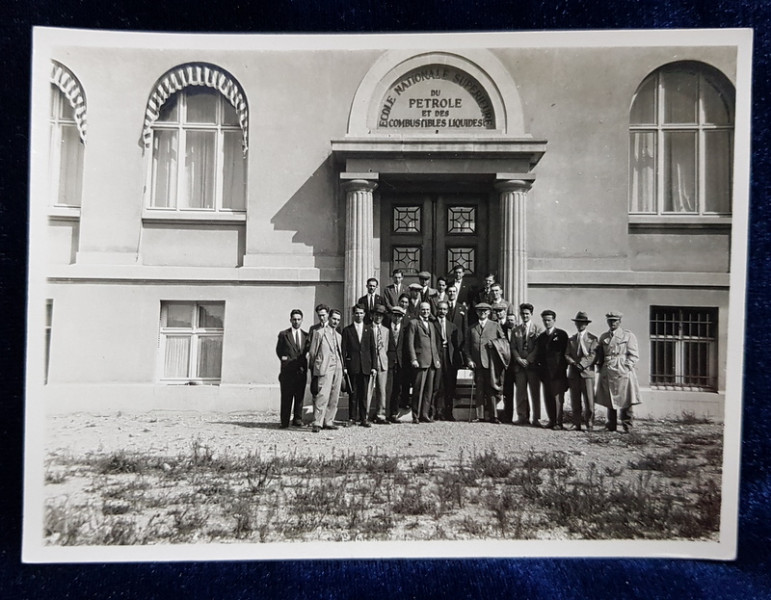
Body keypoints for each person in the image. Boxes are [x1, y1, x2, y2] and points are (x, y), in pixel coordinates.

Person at [595, 311, 641, 433]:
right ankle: (611, 425)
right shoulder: (604, 337)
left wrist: (626, 367)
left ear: (620, 322)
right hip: (608, 369)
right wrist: (600, 367)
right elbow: (600, 354)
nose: (612, 323)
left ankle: (628, 426)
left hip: (622, 369)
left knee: (626, 398)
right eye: (610, 320)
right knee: (610, 398)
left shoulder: (628, 335)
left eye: (615, 320)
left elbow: (634, 355)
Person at [465, 302, 507, 423]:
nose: (482, 313)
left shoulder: (495, 325)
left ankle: (494, 416)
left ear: (489, 312)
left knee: (492, 390)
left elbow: (503, 342)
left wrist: (494, 345)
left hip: (492, 363)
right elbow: (467, 347)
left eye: (485, 311)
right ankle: (480, 415)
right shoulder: (471, 328)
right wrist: (469, 360)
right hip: (477, 364)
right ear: (477, 313)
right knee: (479, 390)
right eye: (480, 311)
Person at [308, 309, 344, 433]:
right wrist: (315, 368)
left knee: (334, 394)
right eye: (334, 319)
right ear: (329, 318)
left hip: (337, 366)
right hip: (324, 366)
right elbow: (313, 352)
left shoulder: (339, 336)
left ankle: (329, 420)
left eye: (338, 320)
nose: (336, 322)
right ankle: (317, 422)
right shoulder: (319, 333)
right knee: (322, 394)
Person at [341, 304, 378, 427]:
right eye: (356, 313)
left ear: (364, 314)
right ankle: (352, 418)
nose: (359, 315)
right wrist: (344, 367)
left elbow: (373, 349)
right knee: (353, 393)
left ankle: (364, 418)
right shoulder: (347, 330)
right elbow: (344, 350)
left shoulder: (369, 329)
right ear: (353, 314)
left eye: (361, 313)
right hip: (353, 366)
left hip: (366, 366)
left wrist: (374, 366)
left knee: (364, 394)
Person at [406, 301, 442, 423]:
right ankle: (415, 415)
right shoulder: (414, 323)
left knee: (429, 390)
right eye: (423, 310)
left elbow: (433, 344)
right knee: (418, 389)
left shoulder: (431, 324)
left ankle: (424, 414)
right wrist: (413, 359)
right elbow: (410, 343)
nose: (426, 312)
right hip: (420, 361)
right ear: (419, 310)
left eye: (427, 310)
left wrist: (436, 359)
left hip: (431, 361)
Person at [565, 311, 599, 431]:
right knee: (575, 400)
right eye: (578, 323)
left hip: (587, 373)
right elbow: (567, 354)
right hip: (574, 372)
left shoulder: (593, 339)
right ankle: (576, 423)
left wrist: (582, 364)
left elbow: (593, 355)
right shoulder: (572, 339)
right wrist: (574, 363)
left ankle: (589, 423)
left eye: (583, 323)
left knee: (589, 400)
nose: (580, 325)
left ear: (586, 324)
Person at [275, 309, 309, 429]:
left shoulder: (306, 335)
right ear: (290, 320)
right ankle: (284, 422)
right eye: (294, 319)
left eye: (299, 319)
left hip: (301, 371)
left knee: (299, 397)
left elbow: (307, 352)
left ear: (302, 320)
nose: (296, 321)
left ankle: (297, 419)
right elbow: (279, 350)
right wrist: (285, 360)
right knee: (286, 397)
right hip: (287, 372)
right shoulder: (284, 334)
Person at [536, 309, 569, 429]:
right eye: (544, 320)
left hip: (557, 373)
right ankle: (551, 420)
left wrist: (563, 370)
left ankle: (558, 422)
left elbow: (566, 354)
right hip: (545, 373)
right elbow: (539, 355)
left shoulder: (561, 335)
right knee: (548, 397)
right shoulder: (542, 337)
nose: (547, 323)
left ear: (554, 320)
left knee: (557, 398)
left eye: (549, 320)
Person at [512, 303, 544, 426]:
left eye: (527, 314)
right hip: (520, 365)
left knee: (534, 392)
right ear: (520, 314)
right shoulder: (516, 330)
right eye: (523, 313)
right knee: (520, 392)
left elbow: (538, 347)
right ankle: (522, 416)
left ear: (531, 314)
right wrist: (519, 359)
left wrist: (529, 359)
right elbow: (513, 347)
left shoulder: (537, 329)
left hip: (533, 366)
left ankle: (536, 418)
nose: (524, 316)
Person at [433, 300, 462, 421]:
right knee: (437, 385)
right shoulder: (432, 324)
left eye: (444, 309)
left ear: (447, 310)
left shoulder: (452, 326)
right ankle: (435, 412)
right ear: (437, 310)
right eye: (440, 309)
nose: (442, 311)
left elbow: (456, 344)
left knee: (449, 385)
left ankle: (448, 412)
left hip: (449, 357)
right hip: (437, 356)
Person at [386, 306, 410, 423]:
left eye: (399, 316)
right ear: (391, 315)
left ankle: (394, 413)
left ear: (402, 317)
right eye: (395, 315)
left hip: (401, 362)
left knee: (397, 388)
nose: (397, 318)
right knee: (387, 388)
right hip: (388, 361)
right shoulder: (386, 328)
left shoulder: (405, 329)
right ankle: (385, 413)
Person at [368, 305, 392, 425]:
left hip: (382, 362)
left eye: (380, 316)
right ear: (372, 316)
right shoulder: (367, 329)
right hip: (370, 362)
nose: (378, 317)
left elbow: (386, 347)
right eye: (376, 315)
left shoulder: (386, 330)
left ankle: (380, 414)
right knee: (368, 389)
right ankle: (365, 414)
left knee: (382, 389)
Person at [501, 306, 519, 424]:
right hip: (506, 366)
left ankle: (524, 416)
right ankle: (508, 416)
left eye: (512, 320)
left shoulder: (519, 331)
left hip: (518, 365)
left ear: (516, 321)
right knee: (508, 392)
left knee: (521, 391)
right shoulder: (501, 329)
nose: (510, 322)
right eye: (508, 320)